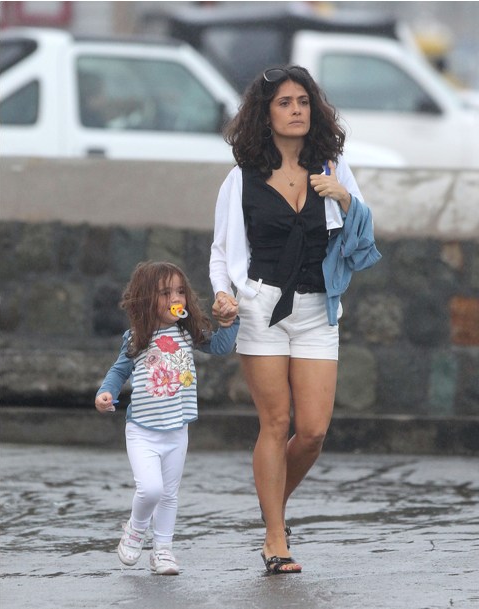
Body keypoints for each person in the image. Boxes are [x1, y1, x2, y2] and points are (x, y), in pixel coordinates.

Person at [209, 65, 381, 574]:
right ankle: (275, 537)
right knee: (276, 422)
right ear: (265, 114)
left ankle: (272, 508)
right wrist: (223, 294)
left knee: (312, 431)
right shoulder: (241, 177)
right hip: (261, 308)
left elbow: (363, 234)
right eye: (284, 103)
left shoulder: (332, 166)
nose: (296, 110)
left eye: (303, 101)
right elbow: (222, 251)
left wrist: (344, 198)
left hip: (317, 308)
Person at [95, 261, 239, 575]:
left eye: (180, 292)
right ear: (146, 300)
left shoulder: (188, 333)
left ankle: (162, 551)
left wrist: (230, 321)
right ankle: (135, 529)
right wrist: (106, 392)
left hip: (177, 430)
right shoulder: (136, 338)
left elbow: (221, 347)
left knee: (169, 494)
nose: (175, 298)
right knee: (151, 489)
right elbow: (119, 371)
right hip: (142, 431)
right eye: (165, 293)